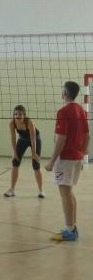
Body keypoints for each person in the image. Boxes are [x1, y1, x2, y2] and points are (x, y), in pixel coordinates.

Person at [45, 82, 89, 241]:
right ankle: (72, 227)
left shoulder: (63, 111)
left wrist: (51, 162)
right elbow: (87, 136)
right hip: (76, 157)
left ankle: (70, 231)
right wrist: (82, 155)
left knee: (65, 194)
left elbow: (61, 139)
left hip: (65, 159)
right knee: (69, 193)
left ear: (64, 93)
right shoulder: (81, 110)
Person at [4, 105, 44, 198]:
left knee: (36, 165)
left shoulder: (29, 122)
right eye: (15, 114)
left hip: (35, 140)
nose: (17, 116)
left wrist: (34, 153)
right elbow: (13, 138)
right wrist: (14, 153)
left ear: (24, 115)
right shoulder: (12, 123)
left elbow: (33, 139)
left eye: (20, 114)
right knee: (15, 162)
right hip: (22, 140)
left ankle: (41, 191)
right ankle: (12, 190)